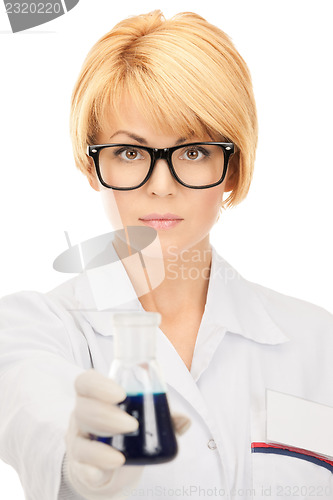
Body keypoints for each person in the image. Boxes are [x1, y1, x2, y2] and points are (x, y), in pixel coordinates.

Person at [1, 9, 333, 500]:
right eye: (131, 153)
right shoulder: (37, 329)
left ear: (233, 170)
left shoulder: (316, 343)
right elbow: (34, 413)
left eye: (193, 152)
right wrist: (78, 456)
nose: (161, 186)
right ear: (91, 165)